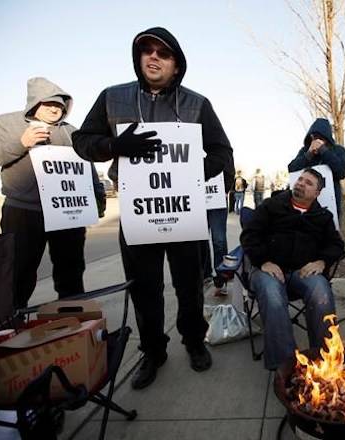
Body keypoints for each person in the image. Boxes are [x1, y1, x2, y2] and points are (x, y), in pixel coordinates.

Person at [72, 27, 233, 389]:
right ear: (138, 58)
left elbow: (222, 151)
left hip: (184, 213)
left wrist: (194, 171)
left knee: (189, 285)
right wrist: (114, 145)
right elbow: (81, 142)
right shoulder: (112, 98)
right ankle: (152, 351)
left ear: (177, 65)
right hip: (138, 213)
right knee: (144, 288)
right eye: (146, 50)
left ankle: (193, 341)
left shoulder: (197, 103)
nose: (154, 57)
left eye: (163, 52)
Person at [0, 77, 105, 309]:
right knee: (19, 274)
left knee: (71, 274)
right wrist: (20, 143)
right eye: (49, 104)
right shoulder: (3, 123)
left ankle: (72, 326)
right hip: (24, 213)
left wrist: (98, 199)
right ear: (34, 103)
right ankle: (12, 325)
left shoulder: (72, 132)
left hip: (68, 213)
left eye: (60, 105)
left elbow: (87, 167)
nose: (56, 109)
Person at [240, 168, 344, 370]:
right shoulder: (271, 206)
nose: (301, 183)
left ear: (317, 193)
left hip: (302, 273)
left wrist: (322, 262)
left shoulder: (322, 217)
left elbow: (336, 245)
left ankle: (325, 359)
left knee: (321, 290)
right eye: (300, 179)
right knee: (272, 293)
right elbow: (249, 237)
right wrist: (263, 261)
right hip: (267, 270)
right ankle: (286, 366)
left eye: (308, 183)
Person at [288, 118, 345, 221]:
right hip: (305, 203)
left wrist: (324, 151)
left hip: (330, 203)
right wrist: (308, 155)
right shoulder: (305, 151)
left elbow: (342, 172)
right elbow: (292, 170)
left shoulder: (338, 151)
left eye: (320, 138)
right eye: (314, 138)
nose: (316, 141)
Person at [203, 157, 236, 295]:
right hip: (197, 199)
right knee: (200, 240)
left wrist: (226, 188)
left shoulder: (218, 141)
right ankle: (205, 276)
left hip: (217, 198)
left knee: (219, 240)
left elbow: (229, 167)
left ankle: (221, 278)